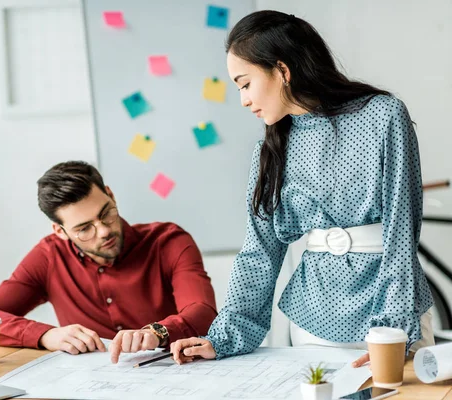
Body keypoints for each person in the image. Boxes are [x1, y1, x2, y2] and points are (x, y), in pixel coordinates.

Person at [171, 10, 434, 367]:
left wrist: (391, 332)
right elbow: (259, 254)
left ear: (282, 70)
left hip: (389, 314)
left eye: (245, 83)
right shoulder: (268, 153)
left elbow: (401, 233)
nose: (243, 99)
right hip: (313, 320)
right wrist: (223, 337)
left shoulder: (383, 115)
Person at [0, 161, 217, 363]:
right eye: (84, 228)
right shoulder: (49, 256)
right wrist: (47, 335)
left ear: (110, 195)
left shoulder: (168, 242)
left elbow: (203, 312)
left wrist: (157, 333)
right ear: (60, 231)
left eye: (106, 214)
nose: (103, 232)